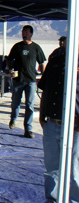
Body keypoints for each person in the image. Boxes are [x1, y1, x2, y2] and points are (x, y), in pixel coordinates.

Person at [38, 53, 79, 202]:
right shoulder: (55, 61)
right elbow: (46, 90)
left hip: (75, 128)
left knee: (75, 171)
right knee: (52, 168)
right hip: (52, 124)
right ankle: (53, 199)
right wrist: (42, 117)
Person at [7, 25, 46, 138]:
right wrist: (10, 69)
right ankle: (13, 119)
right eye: (23, 32)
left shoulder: (36, 48)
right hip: (18, 80)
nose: (25, 34)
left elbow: (42, 63)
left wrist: (43, 76)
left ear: (31, 34)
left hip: (31, 81)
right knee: (15, 102)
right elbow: (9, 60)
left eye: (27, 32)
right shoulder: (17, 47)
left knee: (29, 105)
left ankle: (28, 129)